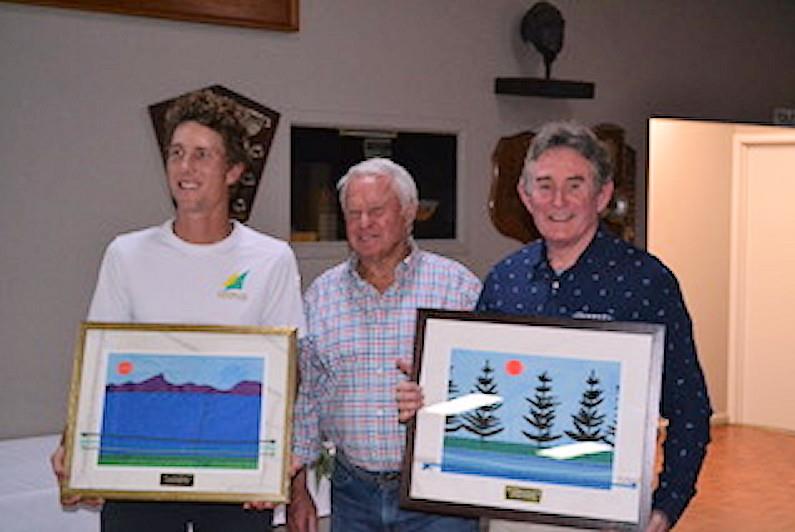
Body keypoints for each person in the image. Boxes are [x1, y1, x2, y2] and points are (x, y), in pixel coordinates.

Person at [397, 122, 712, 531]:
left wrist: (667, 505)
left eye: (575, 185)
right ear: (526, 196)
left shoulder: (647, 283)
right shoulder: (505, 279)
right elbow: (483, 393)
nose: (558, 201)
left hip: (605, 510)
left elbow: (690, 407)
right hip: (508, 507)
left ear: (602, 195)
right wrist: (431, 398)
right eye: (544, 185)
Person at [50, 89, 305, 532]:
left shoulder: (272, 259)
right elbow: (99, 367)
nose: (185, 168)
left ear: (233, 172)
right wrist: (75, 449)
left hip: (236, 477)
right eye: (177, 153)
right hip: (140, 471)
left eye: (202, 155)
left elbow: (289, 371)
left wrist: (277, 457)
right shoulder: (125, 254)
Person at [287, 158, 482, 532]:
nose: (364, 224)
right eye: (353, 213)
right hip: (351, 493)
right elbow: (308, 397)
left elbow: (489, 393)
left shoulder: (458, 289)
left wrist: (444, 396)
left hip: (439, 497)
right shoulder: (320, 296)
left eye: (376, 211)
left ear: (409, 213)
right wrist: (299, 490)